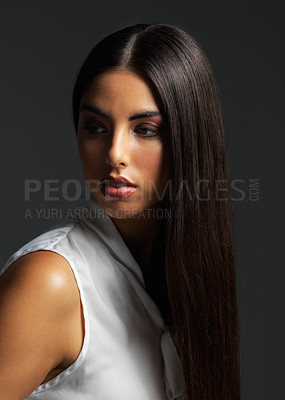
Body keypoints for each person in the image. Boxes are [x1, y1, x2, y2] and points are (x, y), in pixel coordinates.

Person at [0, 23, 240, 400]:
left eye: (145, 130)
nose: (114, 154)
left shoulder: (184, 279)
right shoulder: (50, 283)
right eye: (95, 127)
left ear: (190, 141)